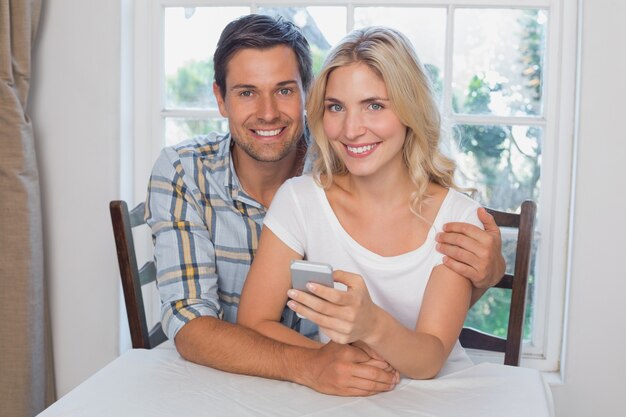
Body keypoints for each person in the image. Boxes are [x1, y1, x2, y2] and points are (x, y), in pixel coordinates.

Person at [145, 14, 504, 394]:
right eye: (247, 92)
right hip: (293, 387)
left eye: (284, 90)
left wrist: (487, 272)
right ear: (220, 98)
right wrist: (318, 362)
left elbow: (430, 350)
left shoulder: (446, 211)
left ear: (305, 93)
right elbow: (197, 323)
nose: (352, 129)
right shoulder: (288, 192)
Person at [238, 26, 489, 379]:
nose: (351, 129)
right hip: (342, 395)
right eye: (336, 107)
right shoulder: (299, 200)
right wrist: (326, 361)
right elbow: (254, 322)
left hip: (434, 399)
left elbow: (429, 359)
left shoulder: (457, 218)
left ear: (409, 110)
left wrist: (372, 325)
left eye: (374, 106)